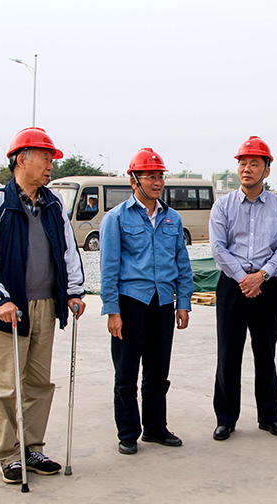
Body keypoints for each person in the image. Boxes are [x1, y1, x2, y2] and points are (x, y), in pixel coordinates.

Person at [0, 127, 86, 485]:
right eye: (45, 158)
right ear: (22, 159)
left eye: (51, 159)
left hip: (45, 306)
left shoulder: (53, 204)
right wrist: (0, 299)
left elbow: (68, 251)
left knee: (38, 382)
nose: (50, 165)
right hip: (8, 310)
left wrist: (74, 291)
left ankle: (32, 448)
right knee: (5, 386)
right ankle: (9, 455)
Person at [100, 147, 192, 456]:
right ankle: (128, 433)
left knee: (158, 371)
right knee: (126, 374)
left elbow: (182, 262)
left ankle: (155, 427)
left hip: (163, 303)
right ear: (134, 180)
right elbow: (109, 268)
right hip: (131, 303)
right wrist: (112, 311)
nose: (157, 182)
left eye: (160, 176)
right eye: (150, 176)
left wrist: (183, 302)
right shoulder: (116, 218)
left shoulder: (172, 218)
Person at [210, 136, 277, 441]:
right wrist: (243, 279)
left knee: (265, 353)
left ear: (266, 170)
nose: (247, 169)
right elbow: (218, 248)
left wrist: (261, 276)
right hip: (232, 286)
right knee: (228, 354)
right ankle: (226, 418)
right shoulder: (223, 206)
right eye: (243, 163)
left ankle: (269, 417)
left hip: (267, 287)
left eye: (254, 164)